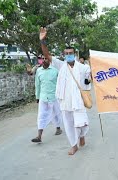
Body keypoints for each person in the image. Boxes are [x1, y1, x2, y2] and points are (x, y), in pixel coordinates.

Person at [40, 27, 90, 155]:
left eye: (70, 53)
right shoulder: (60, 65)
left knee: (81, 123)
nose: (68, 55)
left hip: (78, 101)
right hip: (65, 101)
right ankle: (74, 145)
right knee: (68, 124)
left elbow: (91, 76)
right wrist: (43, 41)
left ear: (75, 55)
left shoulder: (83, 67)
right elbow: (47, 55)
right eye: (66, 53)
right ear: (64, 55)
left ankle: (82, 135)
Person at [32, 56, 63, 143]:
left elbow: (60, 84)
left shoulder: (55, 71)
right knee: (41, 115)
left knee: (56, 113)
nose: (44, 60)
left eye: (46, 58)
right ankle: (39, 136)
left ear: (49, 60)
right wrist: (37, 96)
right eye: (42, 59)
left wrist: (61, 95)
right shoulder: (38, 71)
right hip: (43, 97)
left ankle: (58, 128)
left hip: (54, 97)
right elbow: (37, 85)